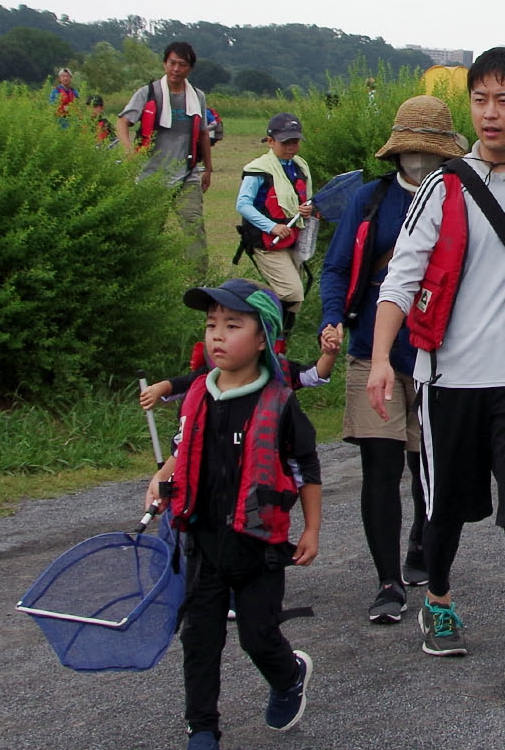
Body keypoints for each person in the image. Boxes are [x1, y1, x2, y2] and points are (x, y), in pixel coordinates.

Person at [368, 47, 505, 706]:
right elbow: (401, 279)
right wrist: (383, 357)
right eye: (480, 100)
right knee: (445, 509)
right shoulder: (444, 187)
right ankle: (437, 598)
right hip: (449, 379)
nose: (490, 114)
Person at [143, 278, 322, 750]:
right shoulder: (197, 393)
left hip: (259, 548)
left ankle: (289, 676)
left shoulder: (281, 402)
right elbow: (181, 453)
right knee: (199, 639)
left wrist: (311, 530)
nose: (218, 335)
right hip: (201, 542)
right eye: (211, 325)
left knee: (258, 637)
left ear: (263, 337)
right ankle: (202, 734)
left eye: (233, 325)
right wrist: (160, 481)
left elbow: (306, 467)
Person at [319, 94, 464, 622]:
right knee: (378, 468)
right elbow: (336, 268)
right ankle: (387, 581)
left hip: (439, 354)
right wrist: (331, 317)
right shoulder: (369, 200)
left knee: (428, 466)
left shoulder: (461, 199)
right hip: (370, 352)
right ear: (396, 154)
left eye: (429, 153)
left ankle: (422, 544)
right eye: (411, 152)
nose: (419, 162)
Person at [119, 42, 217, 277]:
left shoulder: (197, 97)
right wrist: (128, 151)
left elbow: (203, 133)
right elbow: (122, 121)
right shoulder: (149, 93)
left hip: (187, 174)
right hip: (151, 176)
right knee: (149, 233)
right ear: (164, 63)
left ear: (189, 69)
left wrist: (208, 169)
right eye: (172, 63)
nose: (176, 69)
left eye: (182, 64)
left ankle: (198, 283)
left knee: (194, 229)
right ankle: (145, 280)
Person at [234, 113, 314, 336]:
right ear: (270, 142)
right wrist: (271, 226)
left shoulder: (300, 167)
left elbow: (301, 199)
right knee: (292, 292)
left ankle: (278, 342)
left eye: (295, 141)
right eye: (285, 142)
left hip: (291, 240)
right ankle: (251, 308)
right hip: (267, 242)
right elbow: (243, 205)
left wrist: (306, 209)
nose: (291, 147)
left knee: (295, 298)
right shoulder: (259, 169)